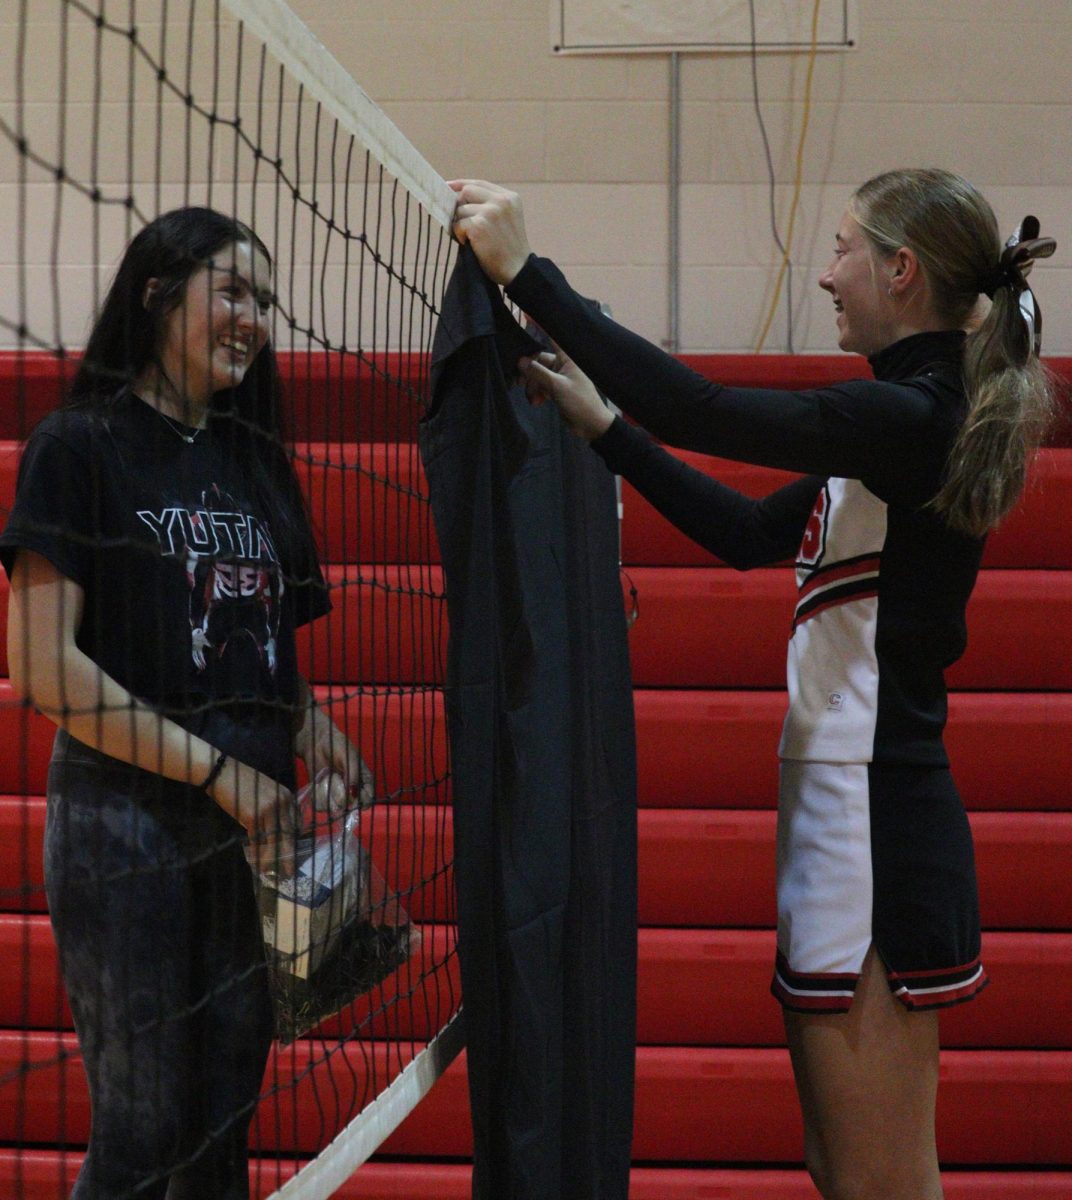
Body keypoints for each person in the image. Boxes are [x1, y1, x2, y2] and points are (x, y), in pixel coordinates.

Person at [448, 171, 1055, 1199]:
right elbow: (740, 535)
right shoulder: (896, 423)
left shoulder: (912, 413)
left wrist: (528, 275)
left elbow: (702, 407)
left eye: (842, 249)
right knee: (843, 1170)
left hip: (875, 822)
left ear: (899, 272)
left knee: (880, 1183)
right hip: (842, 817)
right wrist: (603, 427)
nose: (825, 275)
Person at [1, 207, 371, 1199]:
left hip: (248, 835)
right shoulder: (79, 446)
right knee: (145, 1130)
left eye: (265, 300)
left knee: (221, 1132)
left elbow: (254, 647)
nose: (254, 318)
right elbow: (41, 668)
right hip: (126, 825)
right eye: (233, 292)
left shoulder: (254, 462)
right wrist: (215, 772)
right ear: (160, 298)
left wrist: (307, 720)